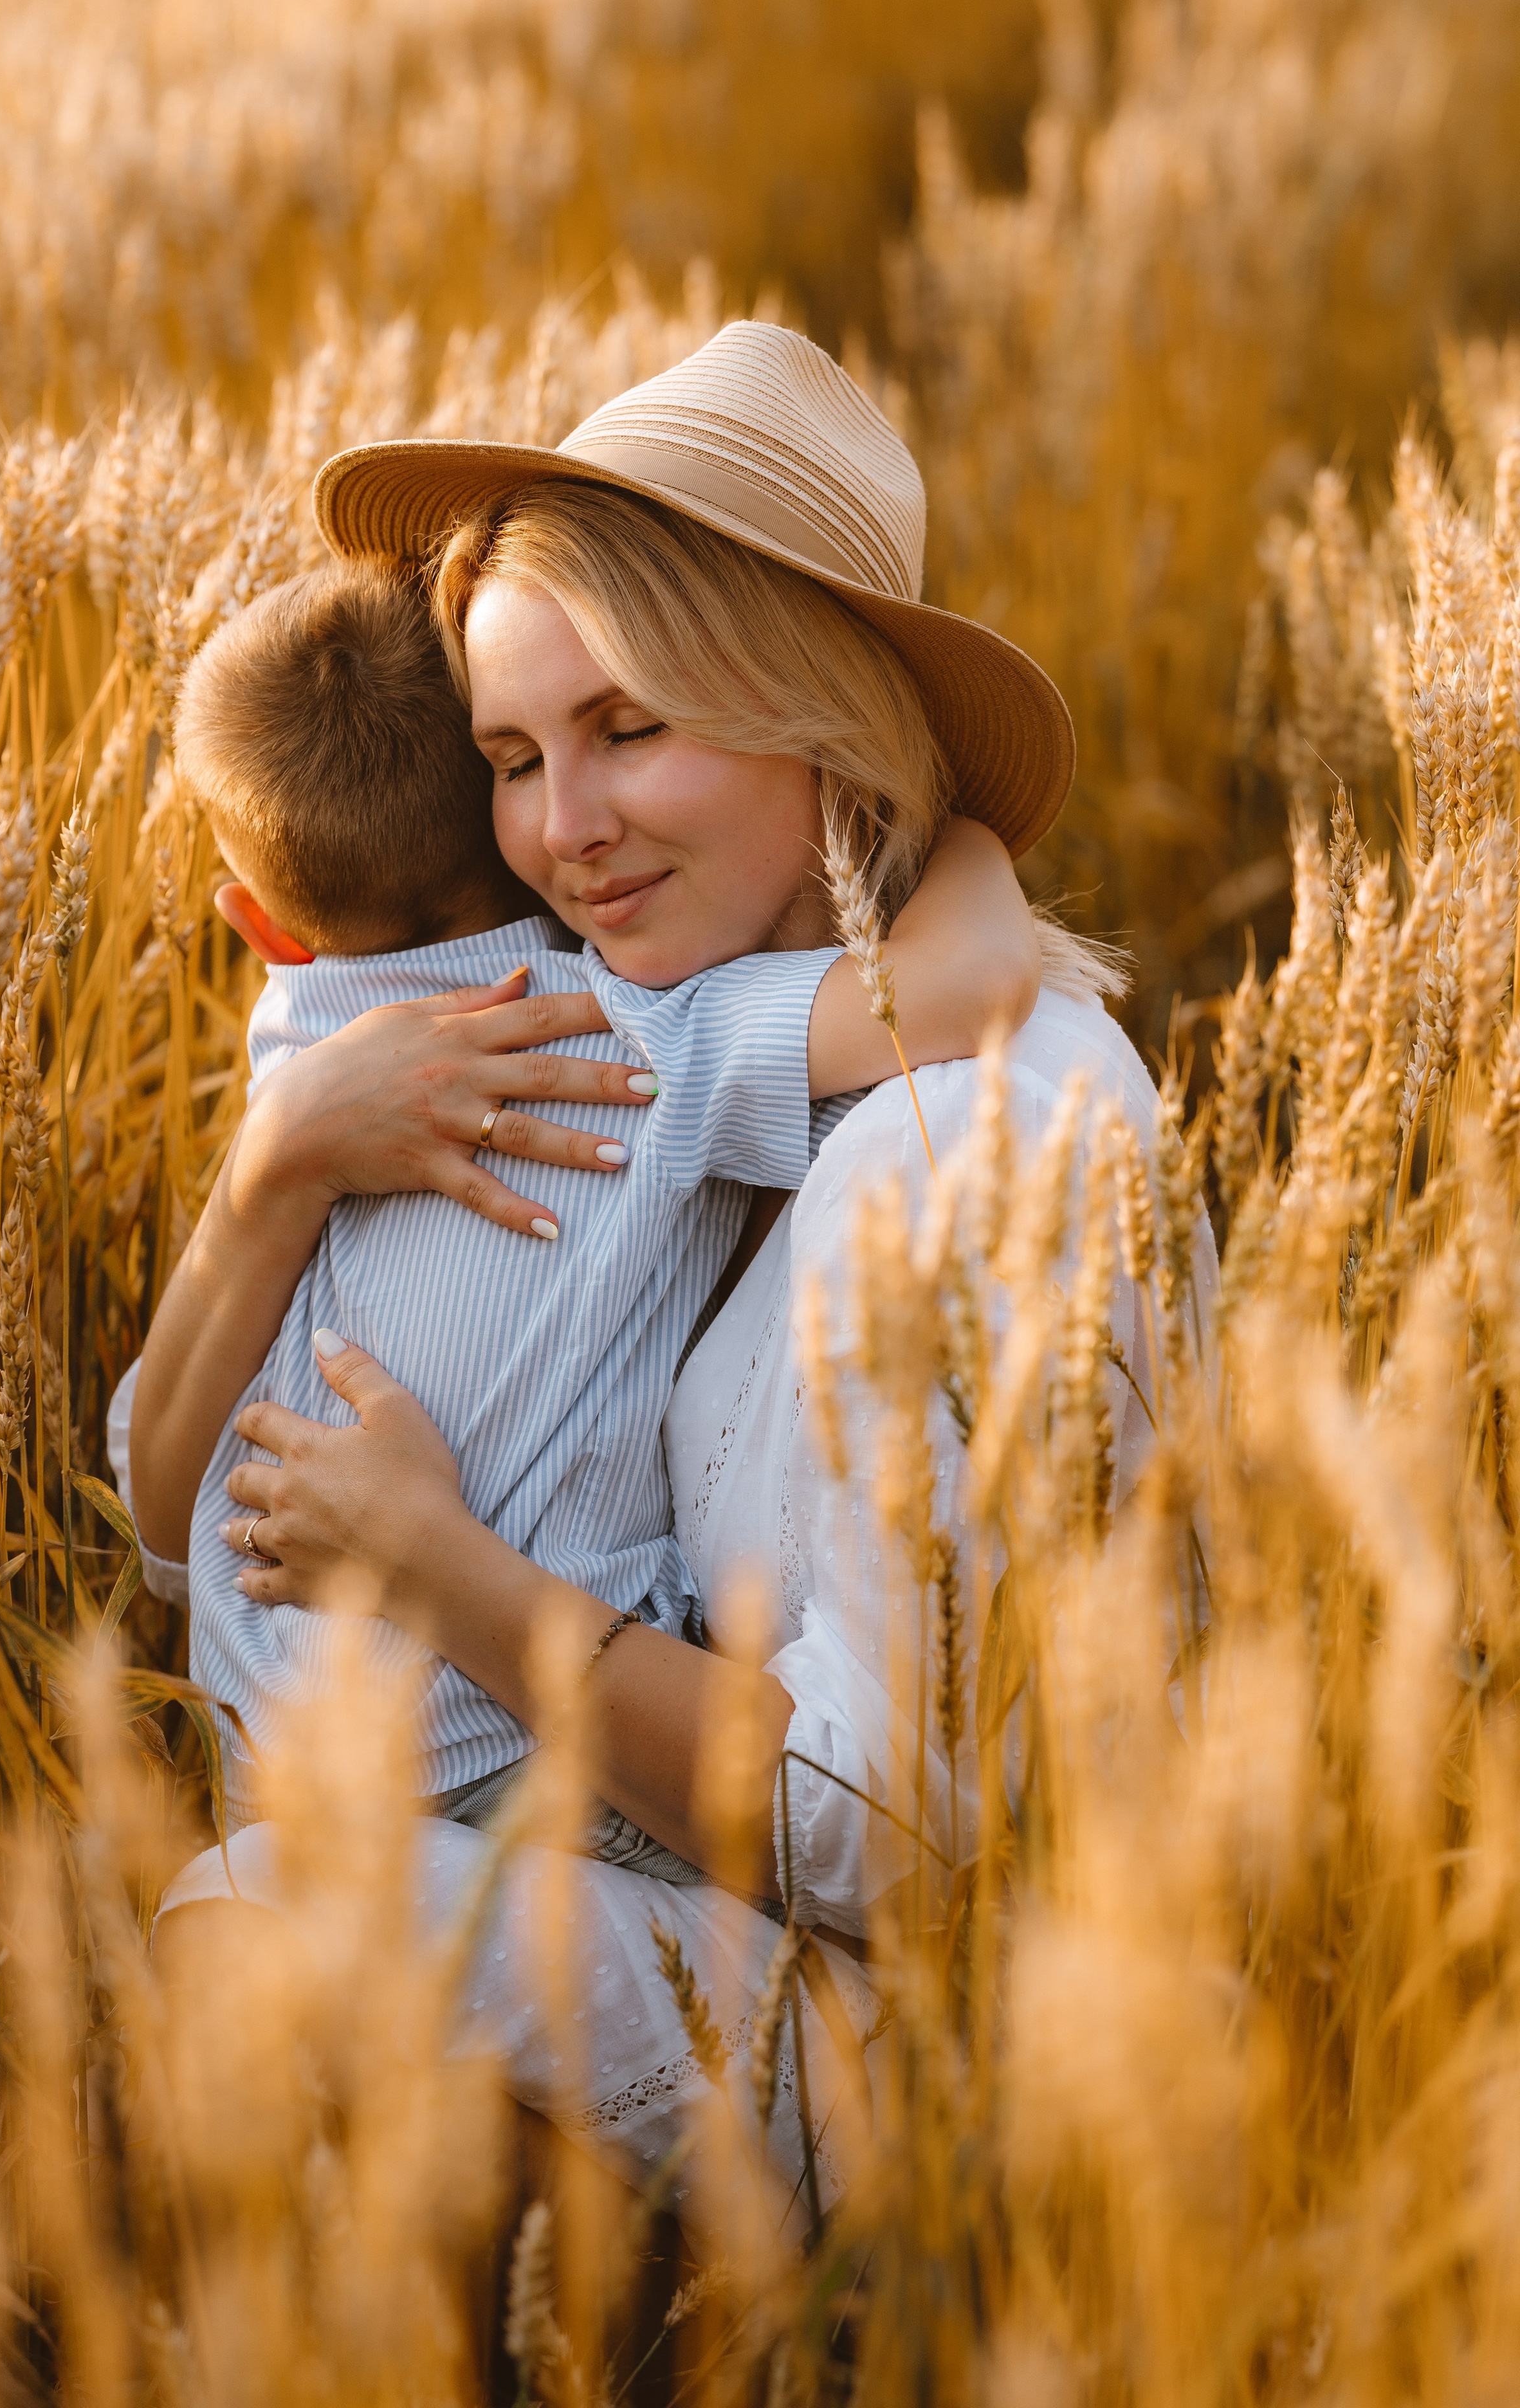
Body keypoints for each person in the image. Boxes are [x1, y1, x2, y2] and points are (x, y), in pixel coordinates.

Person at [129, 321, 1214, 2229]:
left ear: (812, 706)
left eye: (631, 729)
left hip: (985, 2054)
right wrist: (286, 1157)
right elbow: (152, 1486)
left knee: (264, 1929)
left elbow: (884, 1838)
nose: (560, 834)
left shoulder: (960, 1149)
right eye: (512, 759)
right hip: (740, 1921)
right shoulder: (680, 1041)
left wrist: (441, 1573)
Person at [124, 554, 1038, 1845]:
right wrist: (953, 813)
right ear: (508, 827)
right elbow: (973, 980)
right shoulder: (639, 1034)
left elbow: (160, 1521)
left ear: (258, 925)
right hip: (508, 1758)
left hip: (262, 1761)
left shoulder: (298, 1052)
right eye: (518, 755)